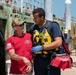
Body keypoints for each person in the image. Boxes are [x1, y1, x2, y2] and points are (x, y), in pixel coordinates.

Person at [28, 8, 62, 75]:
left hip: (51, 58)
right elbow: (26, 38)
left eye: (35, 18)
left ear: (42, 17)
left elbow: (58, 42)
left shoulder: (53, 26)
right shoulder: (33, 28)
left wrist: (42, 47)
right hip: (39, 60)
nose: (34, 20)